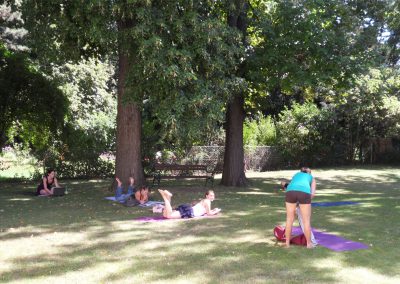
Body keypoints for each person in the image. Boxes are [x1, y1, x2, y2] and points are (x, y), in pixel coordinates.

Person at [284, 166, 316, 248]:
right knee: (306, 221)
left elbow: (291, 186)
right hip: (304, 193)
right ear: (309, 173)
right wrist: (306, 202)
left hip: (290, 191)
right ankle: (309, 244)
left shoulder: (296, 175)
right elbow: (312, 194)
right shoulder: (311, 178)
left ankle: (287, 244)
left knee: (289, 219)